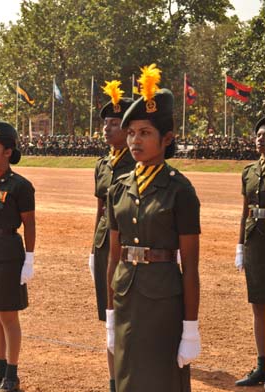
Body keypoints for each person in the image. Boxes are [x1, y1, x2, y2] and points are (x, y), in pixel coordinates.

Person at [105, 65, 201, 392]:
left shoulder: (180, 191)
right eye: (131, 132)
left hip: (163, 300)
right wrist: (109, 312)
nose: (135, 141)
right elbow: (113, 257)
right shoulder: (118, 188)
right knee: (128, 376)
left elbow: (190, 267)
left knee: (160, 380)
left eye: (145, 133)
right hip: (126, 295)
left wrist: (190, 328)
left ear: (167, 138)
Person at [0, 121, 35, 392]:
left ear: (8, 152)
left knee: (8, 317)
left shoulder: (20, 185)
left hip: (9, 252)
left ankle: (12, 375)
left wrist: (30, 258)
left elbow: (30, 224)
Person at [89, 81, 135, 392]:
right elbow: (100, 208)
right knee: (109, 316)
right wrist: (93, 248)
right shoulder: (103, 164)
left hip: (132, 243)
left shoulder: (138, 161)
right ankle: (113, 381)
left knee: (131, 317)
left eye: (115, 124)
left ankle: (132, 377)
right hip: (106, 242)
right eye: (105, 123)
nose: (107, 129)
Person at [234, 116, 265, 387]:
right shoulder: (249, 171)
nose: (260, 138)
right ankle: (262, 365)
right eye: (258, 135)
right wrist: (240, 246)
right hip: (255, 240)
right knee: (258, 304)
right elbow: (245, 212)